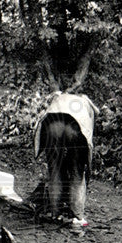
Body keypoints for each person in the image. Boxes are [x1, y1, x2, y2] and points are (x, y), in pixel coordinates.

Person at [32, 92, 100, 228]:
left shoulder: (59, 97)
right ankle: (78, 216)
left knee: (55, 170)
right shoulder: (86, 103)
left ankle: (55, 213)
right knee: (77, 171)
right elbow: (93, 120)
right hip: (75, 127)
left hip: (52, 125)